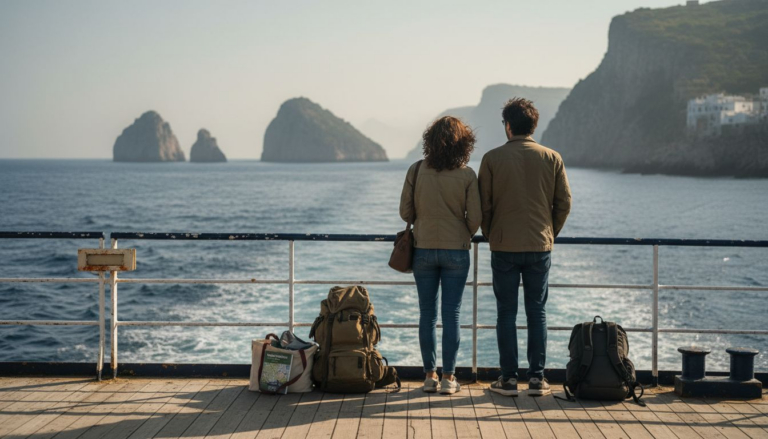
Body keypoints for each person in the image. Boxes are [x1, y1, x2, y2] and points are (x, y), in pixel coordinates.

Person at [479, 98, 572, 397]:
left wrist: (492, 234)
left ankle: (508, 380)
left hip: (503, 246)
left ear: (508, 126)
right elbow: (564, 203)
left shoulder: (491, 159)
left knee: (506, 313)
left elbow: (484, 206)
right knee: (537, 312)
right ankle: (536, 379)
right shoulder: (552, 158)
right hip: (539, 246)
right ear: (533, 125)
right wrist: (549, 233)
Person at [399, 116, 481, 395]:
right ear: (464, 143)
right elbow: (476, 218)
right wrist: (462, 231)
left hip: (422, 248)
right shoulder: (467, 175)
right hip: (456, 249)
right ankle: (448, 378)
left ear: (430, 141)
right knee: (452, 314)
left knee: (427, 314)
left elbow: (405, 212)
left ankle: (429, 376)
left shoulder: (416, 169)